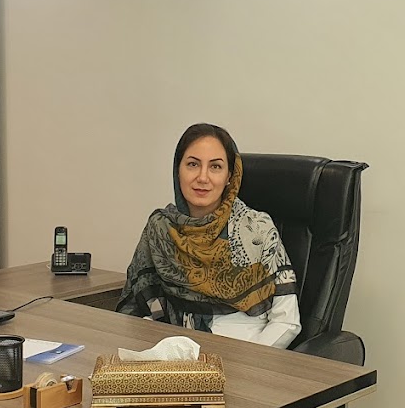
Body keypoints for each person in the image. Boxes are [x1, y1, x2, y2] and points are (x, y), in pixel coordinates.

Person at [117, 123, 301, 349]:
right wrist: (155, 350)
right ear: (178, 170)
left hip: (247, 353)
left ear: (229, 176)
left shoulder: (257, 229)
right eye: (193, 164)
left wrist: (252, 361)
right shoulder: (161, 228)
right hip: (178, 355)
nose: (203, 177)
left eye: (215, 167)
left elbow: (286, 321)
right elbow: (138, 310)